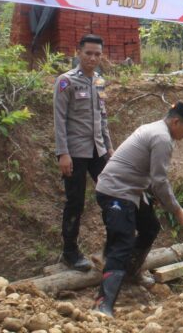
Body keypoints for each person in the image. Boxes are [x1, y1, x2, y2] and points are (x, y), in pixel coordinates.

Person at [93, 101, 183, 317]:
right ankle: (102, 305)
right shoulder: (162, 138)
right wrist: (178, 211)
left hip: (132, 190)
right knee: (121, 244)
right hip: (116, 191)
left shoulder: (155, 129)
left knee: (149, 226)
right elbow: (160, 181)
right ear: (176, 121)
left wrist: (154, 195)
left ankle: (131, 273)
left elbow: (150, 177)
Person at [54, 34, 113, 271]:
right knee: (75, 202)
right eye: (88, 53)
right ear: (79, 53)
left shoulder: (99, 81)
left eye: (97, 54)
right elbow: (59, 119)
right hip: (75, 152)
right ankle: (70, 252)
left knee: (111, 195)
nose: (93, 58)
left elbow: (103, 115)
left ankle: (113, 246)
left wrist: (109, 146)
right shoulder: (65, 81)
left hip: (98, 150)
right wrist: (62, 153)